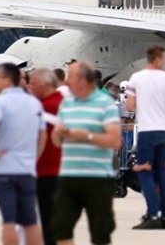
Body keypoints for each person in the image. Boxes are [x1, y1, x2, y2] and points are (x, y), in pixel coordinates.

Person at [51, 61, 123, 245]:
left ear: (83, 80)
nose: (67, 83)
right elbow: (56, 141)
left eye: (71, 78)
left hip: (97, 176)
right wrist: (58, 134)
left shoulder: (105, 104)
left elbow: (115, 141)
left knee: (100, 231)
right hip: (68, 175)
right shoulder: (66, 104)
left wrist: (87, 136)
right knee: (61, 228)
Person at [0, 63, 47, 245]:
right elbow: (43, 134)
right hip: (27, 169)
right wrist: (34, 157)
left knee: (8, 221)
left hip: (3, 169)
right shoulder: (34, 102)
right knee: (30, 221)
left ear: (7, 80)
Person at [124, 45, 165, 228]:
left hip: (147, 130)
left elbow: (130, 106)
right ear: (157, 58)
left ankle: (152, 213)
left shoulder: (136, 78)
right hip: (164, 130)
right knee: (162, 173)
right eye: (163, 58)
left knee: (145, 171)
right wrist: (160, 105)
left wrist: (147, 104)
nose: (164, 62)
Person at [28, 68, 64, 245]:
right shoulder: (62, 102)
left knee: (48, 218)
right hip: (56, 169)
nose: (30, 88)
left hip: (48, 169)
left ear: (45, 84)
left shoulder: (46, 107)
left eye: (33, 84)